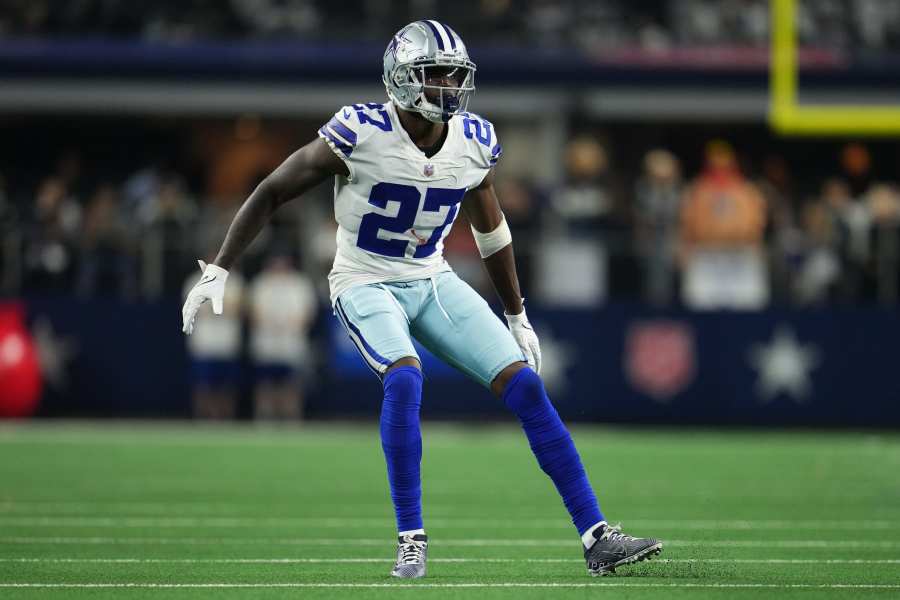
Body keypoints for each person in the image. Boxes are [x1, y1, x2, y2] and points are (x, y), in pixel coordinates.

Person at [182, 20, 660, 579]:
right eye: (435, 75)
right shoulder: (359, 131)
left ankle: (596, 536)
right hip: (364, 279)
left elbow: (493, 230)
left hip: (432, 278)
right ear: (401, 78)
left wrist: (516, 311)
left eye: (455, 77)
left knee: (527, 386)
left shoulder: (473, 140)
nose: (448, 88)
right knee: (406, 377)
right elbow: (271, 190)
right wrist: (219, 268)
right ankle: (411, 539)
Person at [248, 253, 317, 419]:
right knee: (265, 386)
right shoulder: (261, 283)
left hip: (291, 345)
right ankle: (264, 419)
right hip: (266, 344)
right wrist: (271, 325)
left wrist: (290, 326)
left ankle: (291, 419)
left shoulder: (300, 284)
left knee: (291, 386)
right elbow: (252, 312)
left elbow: (308, 313)